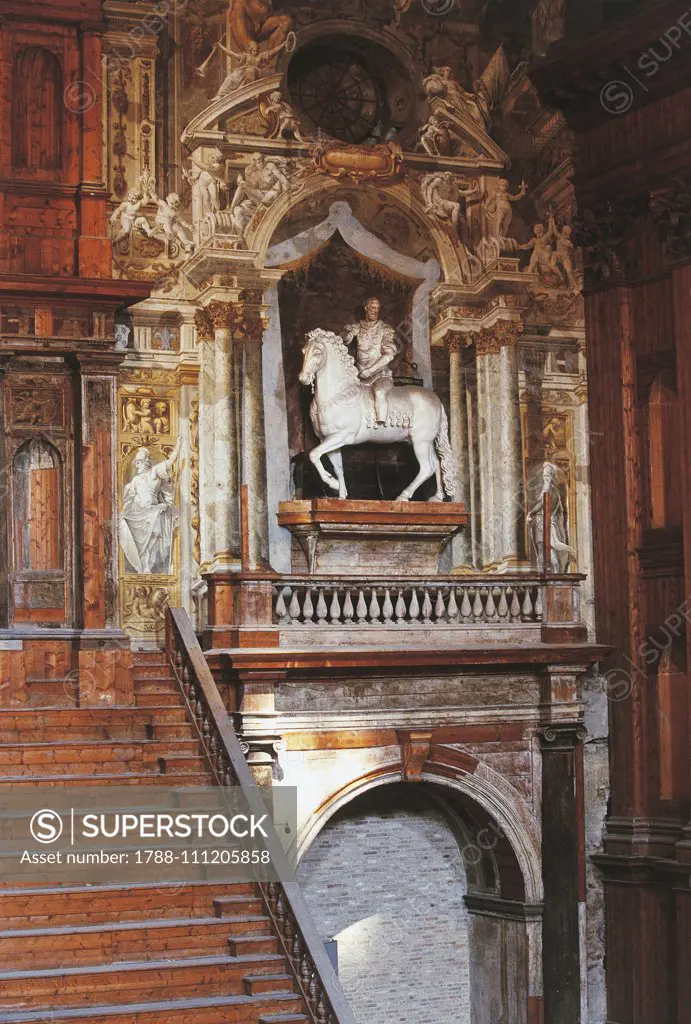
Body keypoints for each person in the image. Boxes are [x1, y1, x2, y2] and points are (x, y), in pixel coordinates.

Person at [119, 439, 181, 574]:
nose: (137, 466)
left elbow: (169, 463)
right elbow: (129, 498)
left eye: (139, 462)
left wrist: (179, 445)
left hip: (154, 511)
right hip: (140, 513)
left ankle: (147, 563)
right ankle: (144, 563)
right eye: (136, 463)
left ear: (146, 461)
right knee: (124, 522)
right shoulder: (135, 480)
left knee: (154, 535)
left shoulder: (154, 472)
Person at [344, 298, 398, 426]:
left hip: (380, 374)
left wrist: (370, 371)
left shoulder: (385, 329)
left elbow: (389, 355)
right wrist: (346, 334)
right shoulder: (358, 327)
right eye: (372, 308)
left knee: (380, 392)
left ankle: (381, 425)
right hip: (359, 376)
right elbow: (345, 340)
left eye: (377, 309)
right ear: (366, 309)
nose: (375, 311)